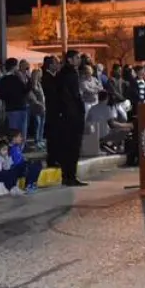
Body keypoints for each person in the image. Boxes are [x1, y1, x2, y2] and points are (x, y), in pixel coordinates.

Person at [57, 50, 87, 187]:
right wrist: (80, 109)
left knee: (67, 146)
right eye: (77, 57)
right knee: (73, 146)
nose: (79, 60)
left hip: (66, 114)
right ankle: (70, 176)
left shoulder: (62, 73)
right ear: (70, 59)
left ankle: (67, 176)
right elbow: (75, 94)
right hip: (72, 115)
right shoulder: (71, 74)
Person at [0, 58, 31, 141]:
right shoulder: (17, 78)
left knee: (14, 133)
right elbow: (26, 90)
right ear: (14, 67)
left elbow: (1, 95)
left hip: (11, 109)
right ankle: (19, 148)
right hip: (20, 107)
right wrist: (29, 79)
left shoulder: (2, 80)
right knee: (20, 133)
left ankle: (16, 148)